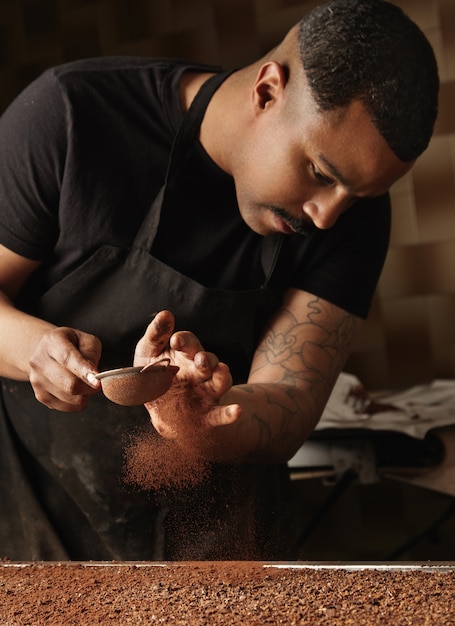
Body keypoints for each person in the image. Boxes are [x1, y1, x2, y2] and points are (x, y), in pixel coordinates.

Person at [0, 0, 439, 561]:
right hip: (41, 540)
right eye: (320, 174)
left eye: (358, 196)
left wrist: (210, 422)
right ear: (266, 91)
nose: (328, 216)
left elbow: (292, 399)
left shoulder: (353, 212)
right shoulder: (70, 116)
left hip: (223, 560)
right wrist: (30, 348)